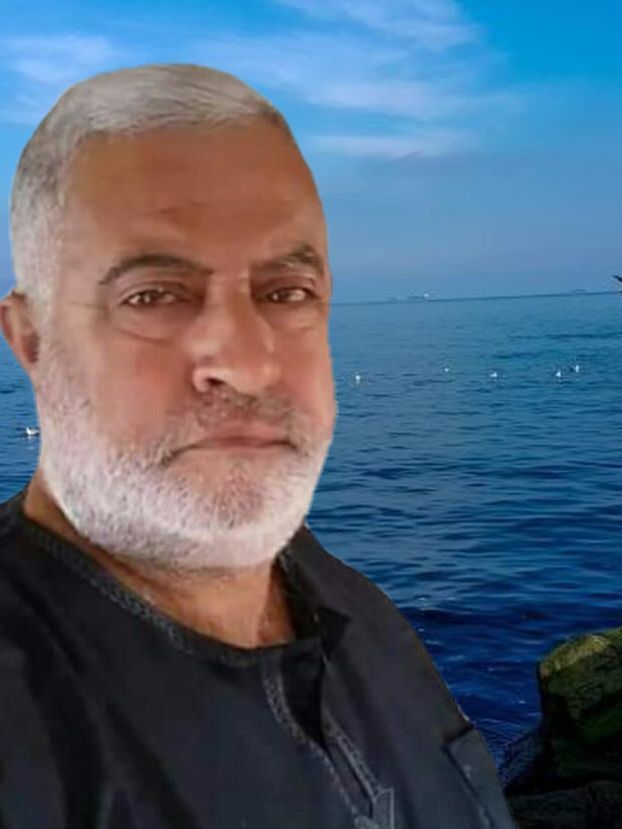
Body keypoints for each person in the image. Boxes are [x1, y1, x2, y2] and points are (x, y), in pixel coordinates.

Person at [0, 64, 515, 829]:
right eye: (154, 295)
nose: (246, 361)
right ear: (32, 340)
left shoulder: (356, 611)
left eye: (285, 292)